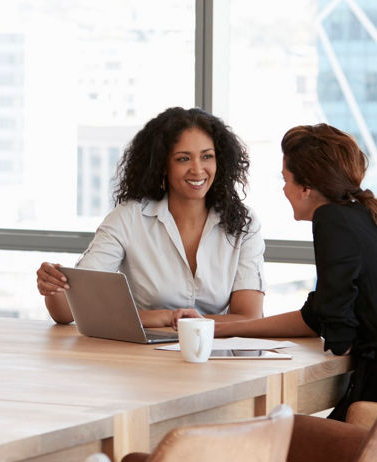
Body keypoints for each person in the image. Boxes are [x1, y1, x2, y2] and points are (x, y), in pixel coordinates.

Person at [216, 123, 377, 420]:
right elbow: (317, 315)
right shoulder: (362, 216)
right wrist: (221, 328)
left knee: (275, 436)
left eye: (285, 180)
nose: (284, 189)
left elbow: (337, 327)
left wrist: (338, 334)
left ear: (306, 187)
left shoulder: (331, 218)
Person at [36, 107, 266, 329]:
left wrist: (181, 322)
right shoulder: (128, 218)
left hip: (215, 356)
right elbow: (68, 311)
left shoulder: (243, 224)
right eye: (183, 159)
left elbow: (248, 317)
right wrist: (53, 285)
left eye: (207, 156)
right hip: (141, 359)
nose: (197, 169)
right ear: (163, 165)